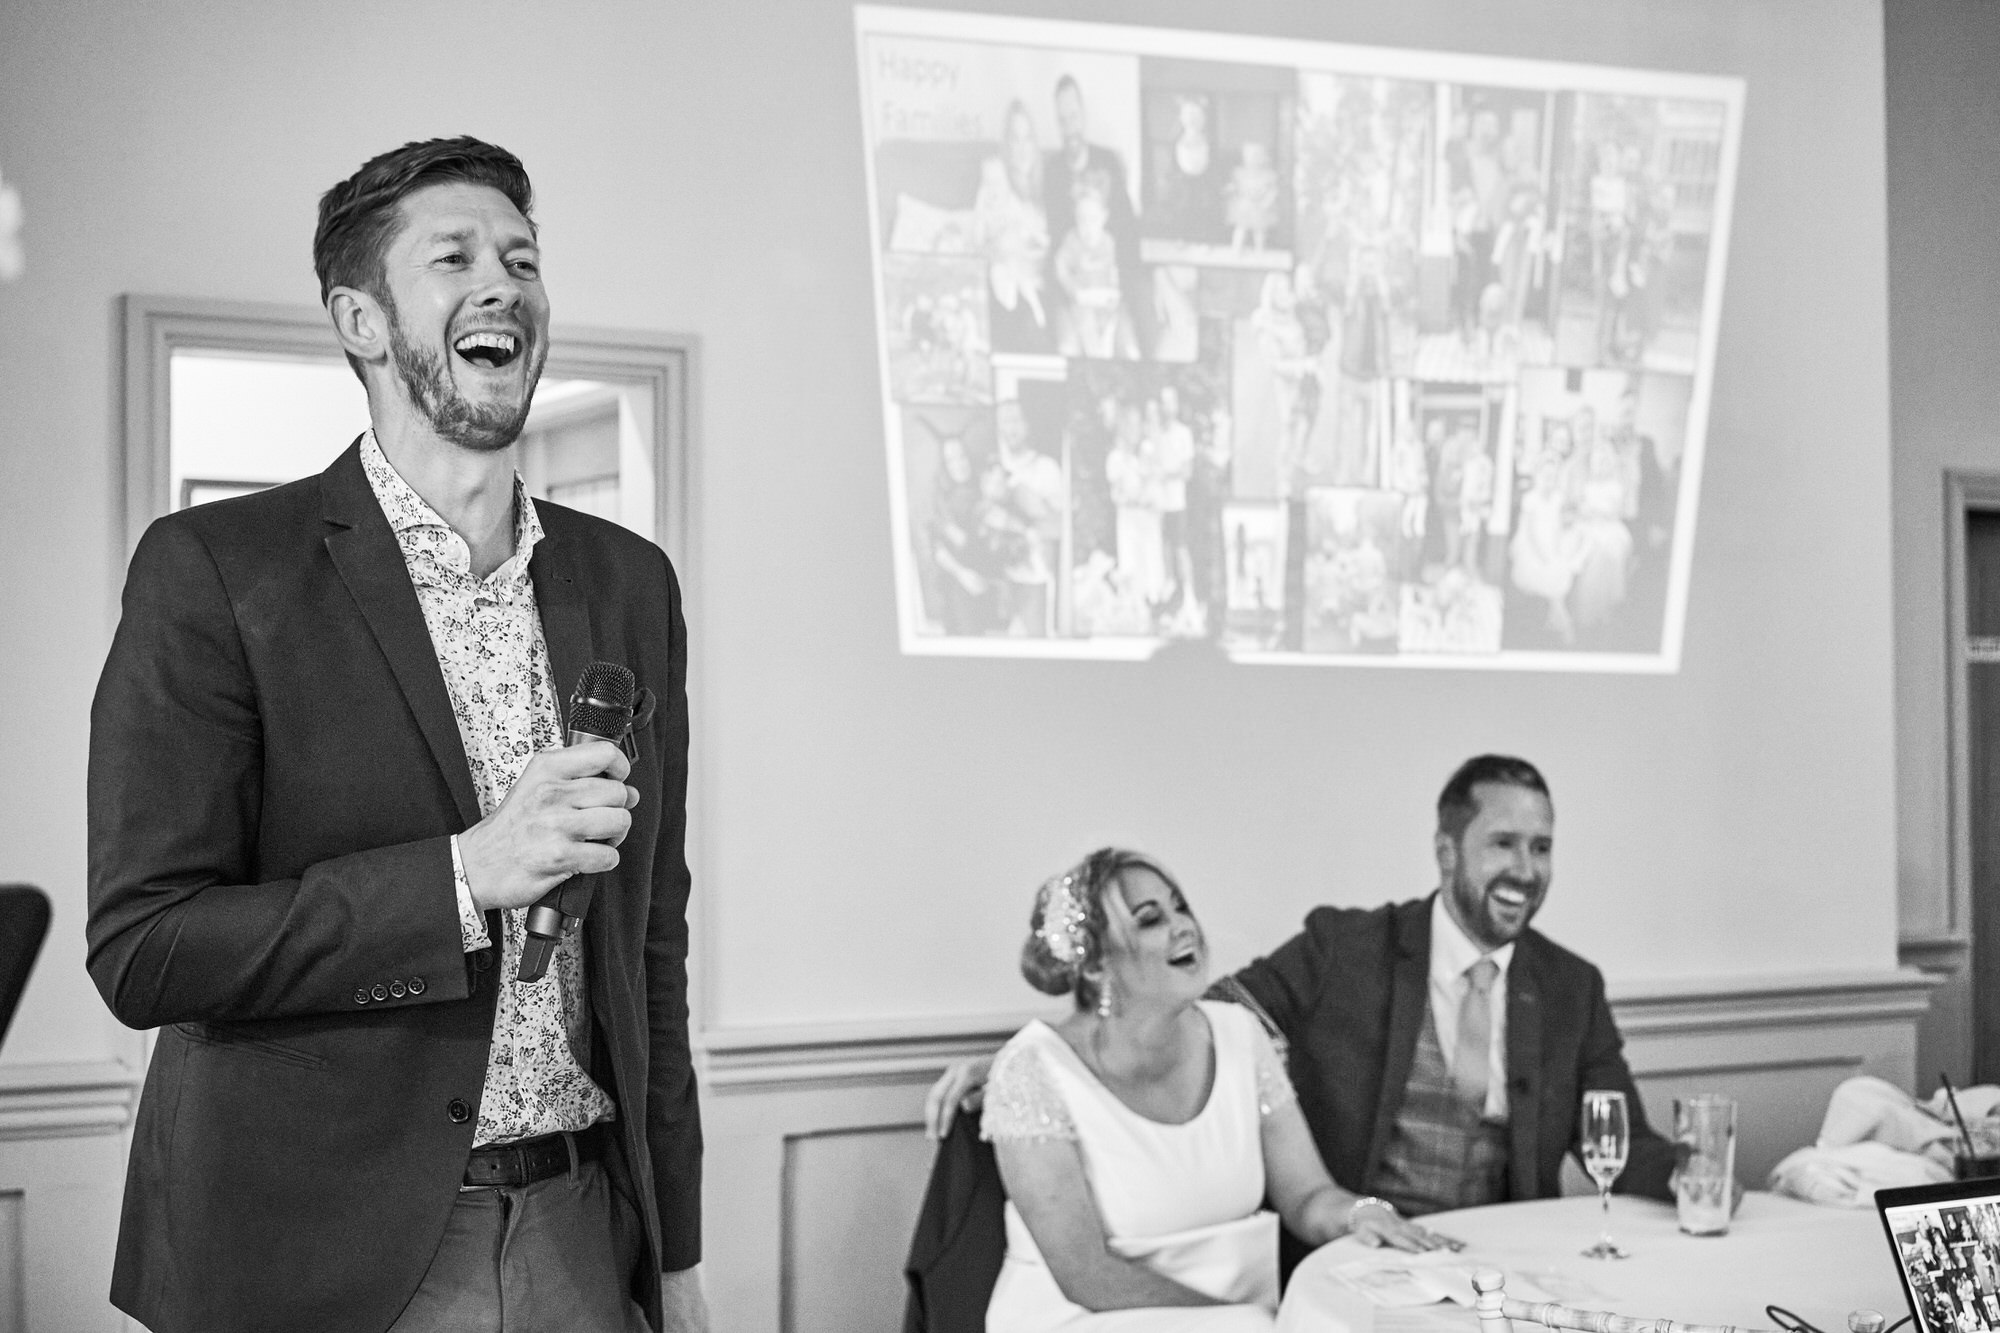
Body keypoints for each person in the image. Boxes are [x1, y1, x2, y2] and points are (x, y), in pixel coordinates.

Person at [86, 138, 705, 1333]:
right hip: (312, 1248)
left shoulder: (629, 581)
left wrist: (671, 1251)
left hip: (582, 1230)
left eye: (522, 260)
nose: (504, 285)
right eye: (456, 258)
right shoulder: (216, 571)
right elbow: (147, 947)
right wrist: (464, 875)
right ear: (361, 320)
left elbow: (652, 942)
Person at [928, 756, 1681, 1249]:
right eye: (1504, 844)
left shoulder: (1571, 984)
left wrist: (1699, 1168)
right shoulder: (1345, 947)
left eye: (1542, 847)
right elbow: (1182, 1007)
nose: (1526, 868)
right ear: (1448, 851)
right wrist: (1033, 1065)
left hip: (1499, 1267)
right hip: (1355, 1261)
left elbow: (1622, 1139)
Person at [981, 849, 1449, 1332]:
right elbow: (1087, 1277)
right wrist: (1246, 1321)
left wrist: (1364, 1214)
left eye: (1181, 906)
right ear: (1098, 965)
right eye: (1150, 920)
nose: (1184, 926)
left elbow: (1307, 1195)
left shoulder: (1241, 1035)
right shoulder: (1031, 1070)